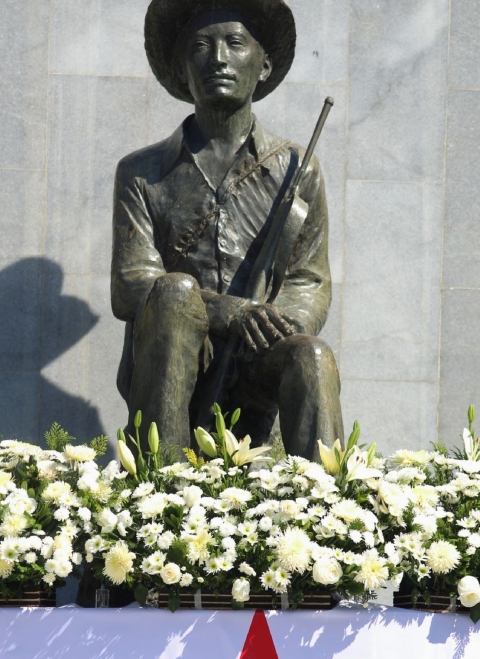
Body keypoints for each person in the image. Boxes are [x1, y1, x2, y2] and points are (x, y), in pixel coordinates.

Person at [111, 0, 344, 459]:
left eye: (235, 43)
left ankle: (329, 512)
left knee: (311, 356)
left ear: (264, 64)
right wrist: (228, 312)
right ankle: (159, 488)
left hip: (258, 356)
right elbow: (131, 283)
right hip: (175, 352)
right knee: (174, 292)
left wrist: (276, 326)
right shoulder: (141, 172)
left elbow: (309, 280)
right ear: (181, 69)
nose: (218, 58)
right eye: (200, 46)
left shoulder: (297, 169)